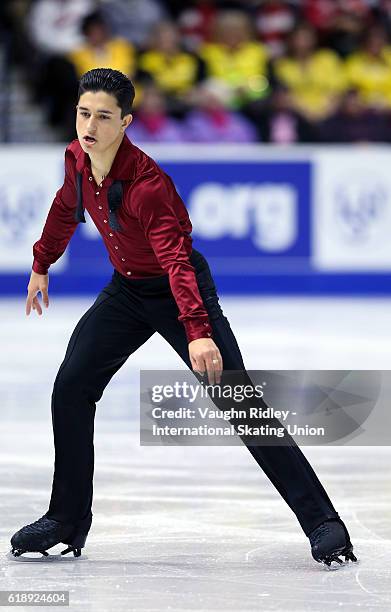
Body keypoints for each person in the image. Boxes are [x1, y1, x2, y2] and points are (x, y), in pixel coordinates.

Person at [10, 68, 357, 568]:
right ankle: (66, 520)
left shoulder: (148, 184)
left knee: (239, 402)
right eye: (84, 113)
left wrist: (198, 333)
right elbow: (67, 207)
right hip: (127, 290)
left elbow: (175, 261)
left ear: (125, 122)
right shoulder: (76, 159)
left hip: (180, 291)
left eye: (103, 117)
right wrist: (42, 262)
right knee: (71, 386)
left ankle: (325, 524)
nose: (89, 125)